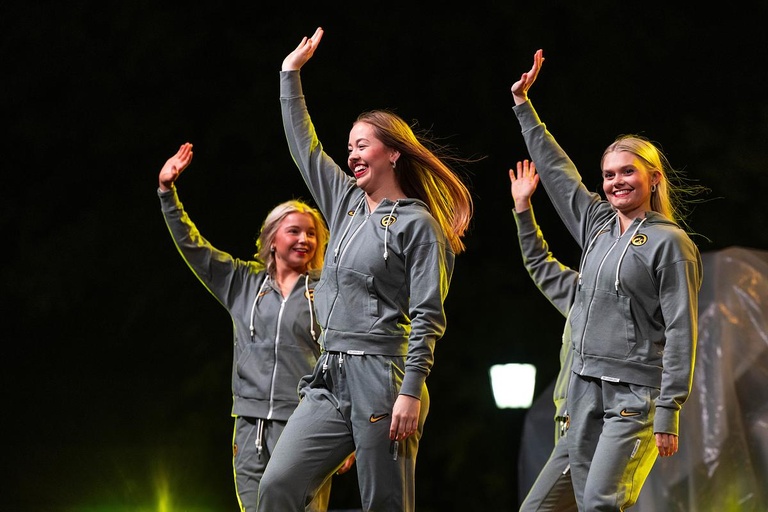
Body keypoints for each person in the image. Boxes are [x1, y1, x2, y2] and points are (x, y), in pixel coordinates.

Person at [256, 27, 474, 512]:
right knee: (277, 486)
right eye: (349, 147)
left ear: (393, 152)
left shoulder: (419, 225)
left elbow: (428, 316)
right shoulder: (346, 203)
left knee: (385, 504)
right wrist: (289, 75)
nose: (351, 154)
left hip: (385, 376)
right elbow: (305, 149)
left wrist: (411, 391)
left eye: (362, 145)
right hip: (330, 374)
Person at [510, 50, 703, 511]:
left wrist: (669, 408)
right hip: (582, 391)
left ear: (653, 178)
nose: (616, 182)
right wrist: (523, 107)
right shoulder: (597, 225)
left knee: (599, 502)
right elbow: (558, 176)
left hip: (632, 397)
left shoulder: (670, 244)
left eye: (627, 172)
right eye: (609, 175)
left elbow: (681, 329)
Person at [157, 142, 346, 512]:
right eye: (294, 231)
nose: (304, 239)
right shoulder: (243, 283)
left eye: (311, 233)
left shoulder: (327, 290)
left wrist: (344, 434)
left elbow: (342, 361)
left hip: (306, 425)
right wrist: (167, 193)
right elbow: (194, 248)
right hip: (249, 426)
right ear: (273, 239)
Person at [510, 159, 578, 512]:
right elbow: (539, 262)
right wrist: (523, 208)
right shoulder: (582, 291)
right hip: (566, 423)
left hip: (601, 422)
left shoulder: (632, 290)